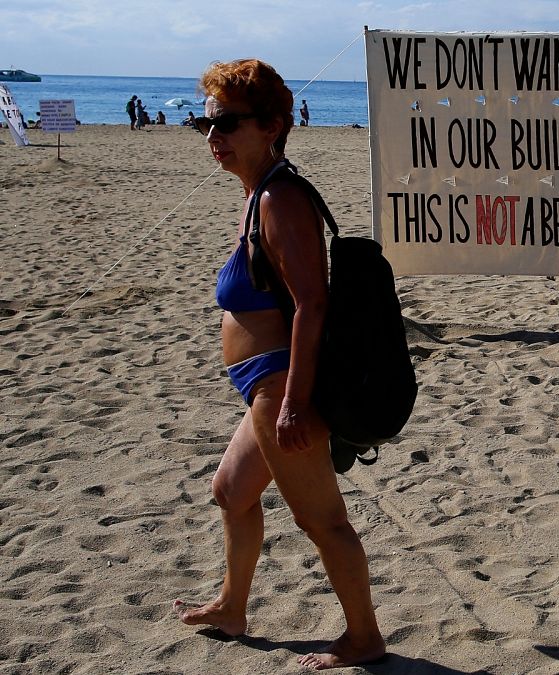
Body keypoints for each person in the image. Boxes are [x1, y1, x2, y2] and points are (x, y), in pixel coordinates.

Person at [172, 58, 385, 670]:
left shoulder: (282, 198)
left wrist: (295, 401)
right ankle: (232, 607)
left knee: (323, 521)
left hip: (279, 386)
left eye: (226, 125)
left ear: (270, 126)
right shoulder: (258, 192)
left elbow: (311, 303)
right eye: (205, 126)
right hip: (263, 386)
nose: (213, 139)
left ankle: (365, 638)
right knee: (231, 492)